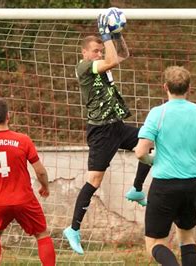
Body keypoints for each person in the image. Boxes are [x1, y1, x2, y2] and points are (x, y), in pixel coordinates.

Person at [62, 12, 151, 255]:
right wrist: (105, 35)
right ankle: (73, 229)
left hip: (117, 126)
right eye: (95, 51)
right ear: (85, 53)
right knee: (95, 180)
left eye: (100, 50)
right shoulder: (83, 67)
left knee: (151, 139)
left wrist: (116, 35)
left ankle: (136, 188)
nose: (99, 54)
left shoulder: (102, 63)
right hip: (100, 131)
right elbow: (112, 60)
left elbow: (122, 55)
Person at [135, 66, 196, 266]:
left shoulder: (158, 113)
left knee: (155, 243)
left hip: (164, 185)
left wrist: (151, 160)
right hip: (191, 185)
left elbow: (140, 152)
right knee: (187, 237)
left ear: (165, 87)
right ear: (189, 88)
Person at [0, 97, 56, 266]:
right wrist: (45, 186)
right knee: (42, 234)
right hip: (23, 199)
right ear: (8, 116)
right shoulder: (23, 140)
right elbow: (39, 171)